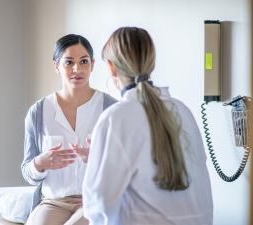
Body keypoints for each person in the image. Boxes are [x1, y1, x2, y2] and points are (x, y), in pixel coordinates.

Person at [83, 27, 213, 225]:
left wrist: (99, 156)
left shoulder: (116, 118)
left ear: (111, 67)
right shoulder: (182, 110)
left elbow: (99, 207)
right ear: (151, 62)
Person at [21, 34, 117, 225]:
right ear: (56, 66)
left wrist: (98, 158)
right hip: (53, 202)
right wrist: (40, 163)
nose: (77, 69)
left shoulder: (111, 108)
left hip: (94, 200)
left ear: (93, 64)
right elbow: (27, 171)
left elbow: (124, 166)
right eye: (69, 62)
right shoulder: (38, 112)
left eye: (83, 61)